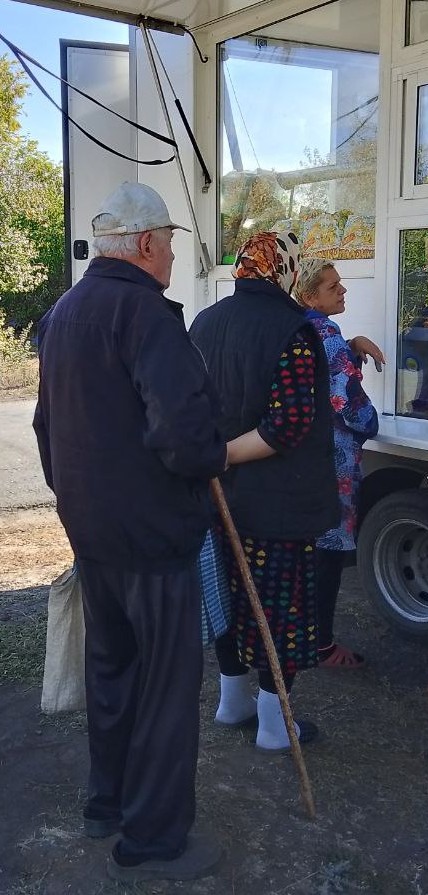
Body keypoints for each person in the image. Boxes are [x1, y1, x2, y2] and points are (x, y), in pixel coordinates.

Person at [33, 182, 227, 882]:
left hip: (94, 532)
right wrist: (208, 456)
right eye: (170, 242)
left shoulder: (66, 310)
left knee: (113, 673)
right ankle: (152, 838)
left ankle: (105, 803)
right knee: (165, 690)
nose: (174, 253)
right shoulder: (146, 312)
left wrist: (76, 504)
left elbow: (44, 429)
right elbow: (182, 435)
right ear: (145, 243)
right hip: (152, 536)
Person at [189, 232, 339, 748]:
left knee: (227, 598)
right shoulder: (291, 328)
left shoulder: (204, 321)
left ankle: (233, 703)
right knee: (277, 608)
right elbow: (288, 426)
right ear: (285, 270)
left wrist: (211, 456)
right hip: (275, 503)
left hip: (215, 497)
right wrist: (225, 452)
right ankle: (275, 727)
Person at [294, 258, 381, 668]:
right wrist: (371, 424)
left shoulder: (297, 325)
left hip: (303, 458)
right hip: (335, 461)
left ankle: (305, 634)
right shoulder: (326, 333)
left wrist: (354, 345)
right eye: (333, 287)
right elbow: (346, 399)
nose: (343, 291)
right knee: (330, 554)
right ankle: (323, 644)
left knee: (307, 554)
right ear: (310, 296)